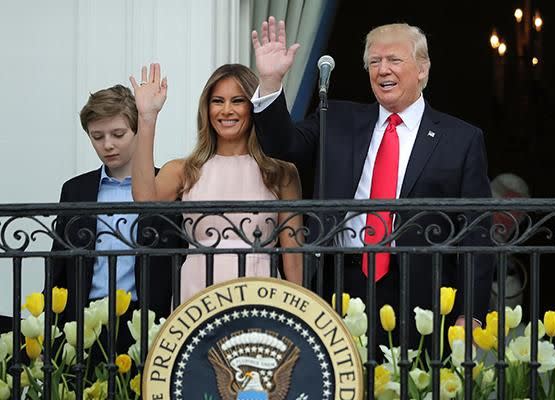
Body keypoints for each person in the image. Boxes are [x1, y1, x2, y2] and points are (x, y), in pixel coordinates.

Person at [251, 17, 494, 343]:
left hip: (421, 291)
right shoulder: (336, 119)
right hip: (341, 282)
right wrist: (269, 83)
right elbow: (283, 146)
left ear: (422, 69)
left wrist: (471, 312)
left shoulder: (461, 139)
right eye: (374, 62)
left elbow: (477, 232)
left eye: (394, 60)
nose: (382, 70)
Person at [129, 63, 304, 303]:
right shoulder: (184, 170)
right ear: (206, 108)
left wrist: (300, 313)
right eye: (218, 101)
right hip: (197, 294)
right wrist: (146, 119)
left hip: (261, 295)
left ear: (253, 107)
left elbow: (293, 256)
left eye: (238, 101)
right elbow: (144, 199)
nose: (226, 110)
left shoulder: (281, 172)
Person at [51, 84, 180, 351]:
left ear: (136, 131)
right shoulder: (75, 190)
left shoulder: (164, 186)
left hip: (147, 319)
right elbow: (59, 267)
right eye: (97, 136)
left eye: (118, 134)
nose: (107, 144)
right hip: (85, 319)